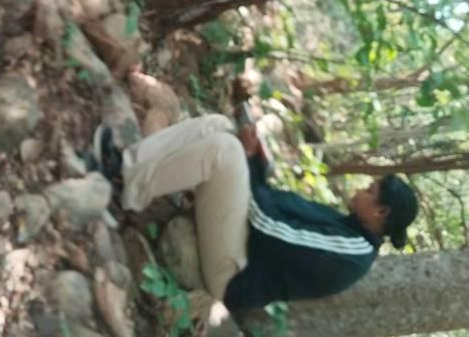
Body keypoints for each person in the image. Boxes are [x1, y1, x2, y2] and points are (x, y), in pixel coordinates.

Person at [92, 113, 418, 311]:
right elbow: (276, 206)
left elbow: (267, 226)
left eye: (370, 191)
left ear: (381, 212)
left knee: (226, 149)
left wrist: (247, 162)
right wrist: (259, 165)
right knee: (219, 126)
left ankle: (122, 184)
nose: (361, 190)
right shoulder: (349, 227)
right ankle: (125, 167)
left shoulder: (351, 252)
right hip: (242, 240)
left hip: (234, 273)